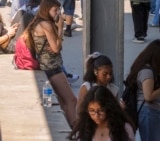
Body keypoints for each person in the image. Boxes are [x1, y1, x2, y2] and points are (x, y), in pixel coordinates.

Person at [22, 0, 77, 128]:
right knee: (71, 100)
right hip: (52, 67)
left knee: (63, 102)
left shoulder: (38, 21)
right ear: (47, 10)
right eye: (55, 10)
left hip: (46, 65)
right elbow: (56, 48)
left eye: (59, 10)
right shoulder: (46, 24)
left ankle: (70, 129)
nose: (58, 13)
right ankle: (75, 130)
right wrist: (60, 28)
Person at [125, 39, 160, 141]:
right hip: (149, 111)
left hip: (149, 112)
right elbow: (148, 96)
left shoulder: (142, 67)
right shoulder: (147, 73)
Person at [69, 85, 135, 141]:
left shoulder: (124, 128)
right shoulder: (83, 128)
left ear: (109, 108)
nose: (96, 115)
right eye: (91, 110)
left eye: (101, 110)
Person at [77, 51, 119, 116]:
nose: (108, 77)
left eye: (110, 73)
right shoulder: (87, 87)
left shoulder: (114, 89)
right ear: (95, 72)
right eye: (104, 74)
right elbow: (80, 110)